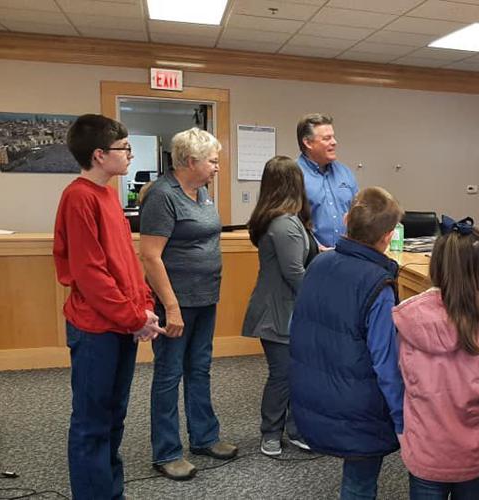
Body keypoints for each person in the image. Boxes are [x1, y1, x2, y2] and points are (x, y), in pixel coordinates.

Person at [53, 114, 165, 499]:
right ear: (99, 155)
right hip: (95, 328)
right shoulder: (78, 196)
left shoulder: (108, 195)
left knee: (113, 418)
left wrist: (144, 305)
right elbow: (90, 274)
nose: (130, 154)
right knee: (91, 422)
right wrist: (134, 315)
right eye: (124, 148)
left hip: (121, 324)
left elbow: (126, 262)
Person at [289, 187, 404, 500]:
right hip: (359, 411)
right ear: (389, 235)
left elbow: (297, 330)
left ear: (346, 220)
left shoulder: (317, 265)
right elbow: (386, 364)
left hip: (311, 397)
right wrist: (403, 421)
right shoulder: (377, 284)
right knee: (359, 485)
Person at [140, 128, 237, 480]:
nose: (216, 167)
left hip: (206, 297)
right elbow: (150, 256)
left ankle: (204, 436)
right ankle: (166, 452)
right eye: (212, 161)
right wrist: (172, 307)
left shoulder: (202, 192)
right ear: (191, 161)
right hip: (176, 303)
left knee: (200, 368)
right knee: (169, 374)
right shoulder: (162, 196)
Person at [393, 216, 479, 500]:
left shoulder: (407, 316)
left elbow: (400, 382)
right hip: (474, 454)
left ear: (435, 265)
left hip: (425, 451)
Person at [242, 156, 318, 456]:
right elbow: (294, 272)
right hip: (278, 314)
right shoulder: (284, 224)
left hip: (285, 311)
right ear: (294, 183)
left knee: (294, 373)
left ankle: (295, 429)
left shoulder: (287, 220)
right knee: (283, 374)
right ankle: (271, 432)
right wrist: (319, 301)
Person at [296, 113, 358, 249]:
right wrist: (316, 248)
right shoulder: (293, 175)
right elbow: (290, 224)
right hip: (310, 259)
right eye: (327, 138)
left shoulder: (345, 173)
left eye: (333, 137)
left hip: (346, 256)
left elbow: (358, 215)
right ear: (308, 143)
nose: (334, 142)